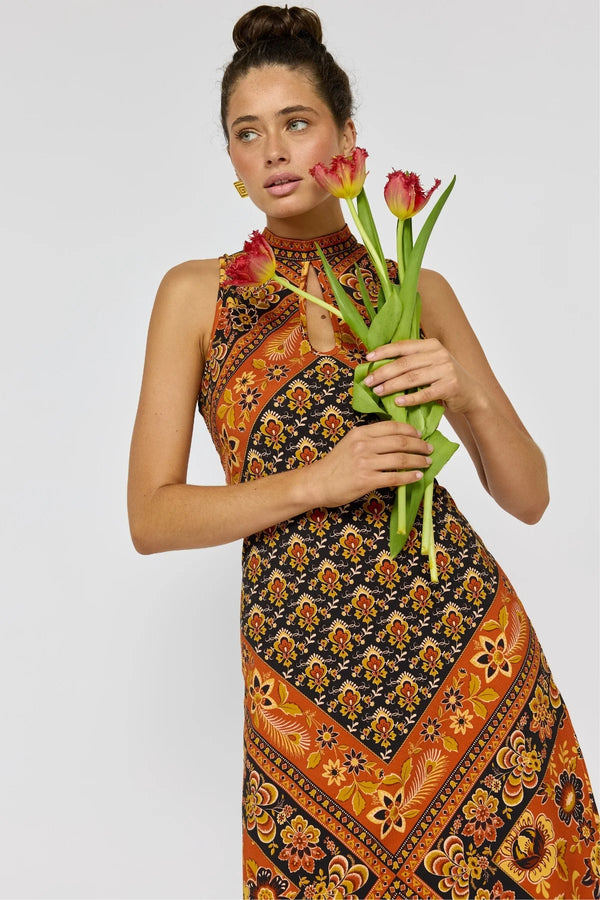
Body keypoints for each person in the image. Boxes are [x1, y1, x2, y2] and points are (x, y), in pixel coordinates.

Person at [127, 5, 599, 897]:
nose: (272, 151)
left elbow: (529, 493)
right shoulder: (196, 297)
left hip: (467, 662)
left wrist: (463, 388)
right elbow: (151, 515)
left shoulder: (412, 283)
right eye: (247, 133)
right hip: (303, 681)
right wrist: (317, 481)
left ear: (348, 140)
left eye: (296, 125)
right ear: (230, 159)